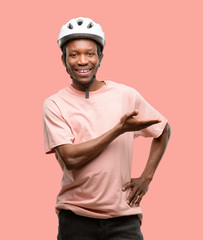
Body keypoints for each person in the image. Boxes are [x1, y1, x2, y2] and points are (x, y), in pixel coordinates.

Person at [42, 17, 171, 240]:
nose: (82, 61)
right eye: (74, 54)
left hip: (124, 218)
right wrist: (118, 130)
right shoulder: (55, 104)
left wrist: (146, 177)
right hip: (76, 218)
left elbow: (164, 129)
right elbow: (70, 158)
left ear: (100, 58)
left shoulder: (125, 95)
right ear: (63, 60)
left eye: (90, 54)